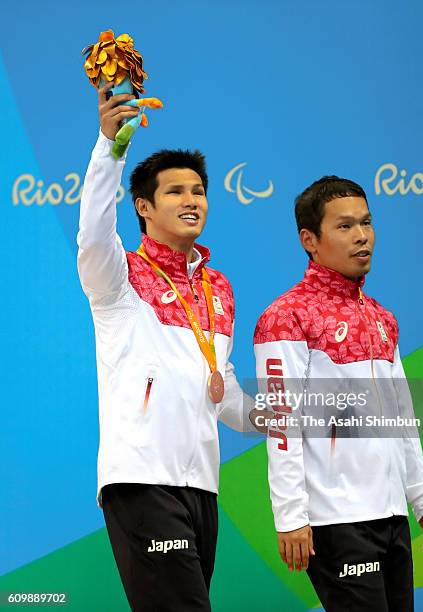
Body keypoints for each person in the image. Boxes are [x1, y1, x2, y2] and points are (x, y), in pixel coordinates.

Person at [77, 81, 256, 612]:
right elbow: (92, 233)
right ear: (144, 207)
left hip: (201, 484)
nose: (191, 200)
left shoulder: (217, 286)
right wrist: (110, 148)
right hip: (140, 479)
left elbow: (218, 391)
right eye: (176, 191)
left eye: (199, 190)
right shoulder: (118, 278)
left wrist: (267, 414)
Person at [253, 175, 423, 611]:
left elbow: (401, 415)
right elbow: (280, 420)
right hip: (335, 521)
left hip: (392, 516)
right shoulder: (285, 317)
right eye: (344, 226)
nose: (362, 236)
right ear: (310, 239)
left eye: (366, 222)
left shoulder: (383, 318)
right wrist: (291, 516)